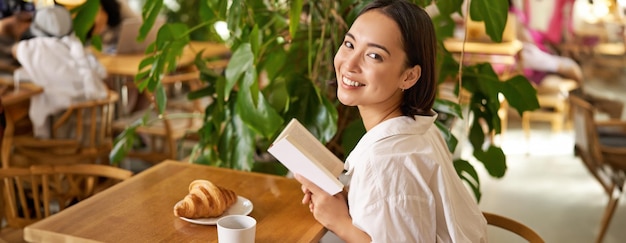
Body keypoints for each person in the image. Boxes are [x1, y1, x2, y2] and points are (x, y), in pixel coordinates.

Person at [294, 0, 487, 242]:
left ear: (409, 76)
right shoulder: (418, 129)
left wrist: (340, 222)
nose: (350, 64)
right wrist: (350, 197)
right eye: (349, 44)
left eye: (374, 55)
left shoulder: (384, 161)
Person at [11, 5, 108, 138]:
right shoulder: (75, 46)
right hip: (93, 127)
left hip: (63, 124)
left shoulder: (35, 47)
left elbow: (15, 50)